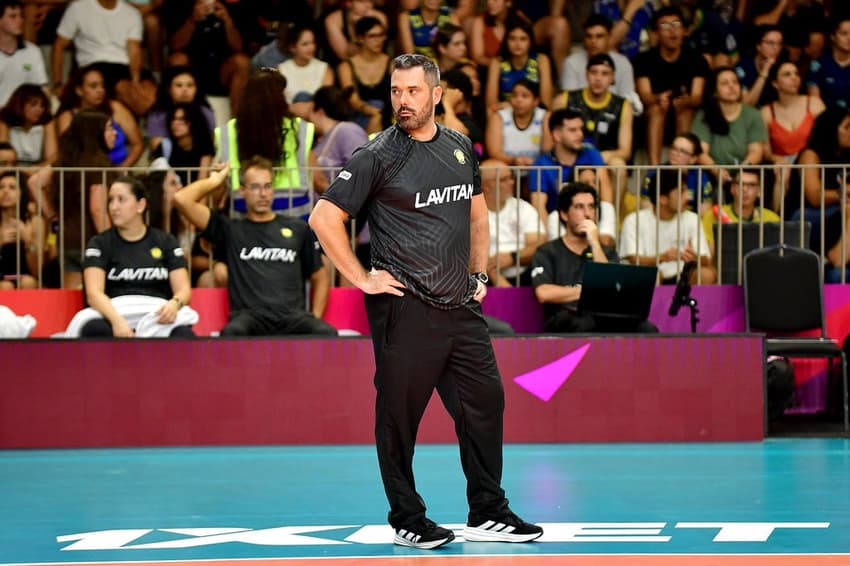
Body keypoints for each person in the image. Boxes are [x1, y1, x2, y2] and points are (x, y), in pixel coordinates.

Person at [308, 53, 542, 550]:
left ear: (437, 95)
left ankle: (488, 510)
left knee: (486, 403)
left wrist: (480, 273)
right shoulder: (378, 154)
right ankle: (407, 518)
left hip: (461, 307)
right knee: (398, 419)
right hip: (405, 308)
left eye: (412, 91)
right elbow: (324, 219)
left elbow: (477, 216)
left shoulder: (459, 147)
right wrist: (361, 278)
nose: (403, 101)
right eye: (396, 91)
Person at [175, 156, 337, 337]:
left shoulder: (298, 228)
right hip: (250, 317)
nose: (263, 193)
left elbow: (320, 276)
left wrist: (315, 316)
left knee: (326, 333)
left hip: (293, 317)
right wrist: (215, 180)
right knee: (231, 333)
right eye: (255, 187)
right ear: (243, 191)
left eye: (268, 186)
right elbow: (182, 199)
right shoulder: (230, 230)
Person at [73, 176, 197, 338]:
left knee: (184, 334)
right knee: (95, 329)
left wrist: (174, 304)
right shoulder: (100, 243)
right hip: (113, 313)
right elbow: (94, 293)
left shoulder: (165, 242)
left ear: (141, 205)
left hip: (155, 313)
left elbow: (183, 290)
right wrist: (117, 322)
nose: (113, 207)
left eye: (121, 200)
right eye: (111, 200)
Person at [531, 181, 658, 333]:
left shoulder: (606, 251)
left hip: (604, 315)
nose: (587, 213)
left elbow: (612, 288)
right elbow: (544, 293)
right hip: (565, 317)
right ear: (564, 214)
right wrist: (589, 292)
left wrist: (595, 243)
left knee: (646, 328)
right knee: (585, 324)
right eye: (579, 207)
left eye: (591, 207)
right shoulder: (547, 252)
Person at [51, 0, 157, 117]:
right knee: (126, 90)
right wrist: (57, 83)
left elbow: (134, 50)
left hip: (124, 66)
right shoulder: (78, 8)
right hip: (94, 65)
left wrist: (135, 82)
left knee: (153, 95)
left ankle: (154, 130)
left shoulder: (132, 13)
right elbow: (59, 46)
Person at [634, 6, 709, 165]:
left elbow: (697, 97)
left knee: (685, 109)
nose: (672, 31)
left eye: (676, 25)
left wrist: (685, 101)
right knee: (656, 109)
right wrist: (658, 98)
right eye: (665, 26)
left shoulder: (696, 59)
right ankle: (655, 169)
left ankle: (682, 166)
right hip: (652, 117)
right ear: (655, 33)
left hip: (686, 116)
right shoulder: (644, 59)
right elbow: (644, 96)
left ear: (684, 31)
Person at [529, 108, 615, 245]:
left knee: (608, 209)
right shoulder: (541, 164)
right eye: (573, 130)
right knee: (553, 219)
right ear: (557, 135)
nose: (580, 134)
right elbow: (539, 207)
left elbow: (606, 195)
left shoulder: (592, 154)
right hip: (559, 224)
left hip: (592, 218)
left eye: (581, 129)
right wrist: (549, 240)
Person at [620, 168, 716, 284]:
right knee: (653, 275)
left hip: (683, 276)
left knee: (707, 274)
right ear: (662, 199)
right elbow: (634, 260)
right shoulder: (633, 220)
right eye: (681, 192)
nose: (688, 197)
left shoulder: (692, 218)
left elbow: (706, 260)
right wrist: (662, 257)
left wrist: (694, 257)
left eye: (686, 191)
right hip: (650, 276)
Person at [164, 0, 251, 115]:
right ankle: (180, 118)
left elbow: (238, 48)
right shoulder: (180, 5)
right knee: (177, 60)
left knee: (242, 62)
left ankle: (238, 125)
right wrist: (192, 20)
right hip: (191, 70)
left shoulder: (232, 5)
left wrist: (228, 22)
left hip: (222, 71)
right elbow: (175, 45)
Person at [559, 13, 642, 115]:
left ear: (609, 37)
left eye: (599, 36)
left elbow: (628, 101)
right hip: (580, 119)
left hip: (614, 119)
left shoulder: (623, 63)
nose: (593, 41)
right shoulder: (571, 63)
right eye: (589, 36)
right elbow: (570, 103)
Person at [481, 159, 545, 286]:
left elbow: (538, 245)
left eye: (511, 177)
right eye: (504, 180)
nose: (512, 182)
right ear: (485, 186)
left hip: (523, 274)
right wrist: (489, 269)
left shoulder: (523, 208)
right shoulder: (472, 212)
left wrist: (512, 257)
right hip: (482, 276)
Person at [701, 167, 781, 248]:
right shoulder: (713, 215)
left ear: (759, 191)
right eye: (740, 184)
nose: (745, 189)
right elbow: (708, 256)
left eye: (751, 185)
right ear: (732, 189)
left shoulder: (772, 219)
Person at [0, 170, 47, 289]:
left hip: (26, 276)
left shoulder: (35, 222)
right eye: (1, 187)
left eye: (12, 187)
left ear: (22, 193)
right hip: (2, 279)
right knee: (5, 286)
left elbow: (37, 270)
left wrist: (27, 240)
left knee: (28, 282)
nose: (5, 191)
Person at [0, 0, 48, 107]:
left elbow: (43, 89)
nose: (20, 20)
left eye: (21, 16)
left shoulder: (32, 51)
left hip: (26, 115)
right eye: (13, 16)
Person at [0, 83, 57, 168]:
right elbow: (4, 153)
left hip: (37, 172)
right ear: (20, 104)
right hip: (10, 169)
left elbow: (52, 157)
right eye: (33, 105)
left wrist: (36, 169)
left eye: (42, 105)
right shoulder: (4, 119)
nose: (39, 109)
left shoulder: (47, 122)